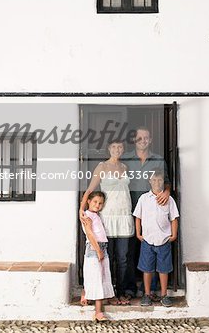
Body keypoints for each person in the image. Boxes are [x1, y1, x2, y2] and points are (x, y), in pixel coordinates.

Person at [79, 139, 134, 305]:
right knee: (105, 257)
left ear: (123, 149)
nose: (117, 149)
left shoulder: (125, 167)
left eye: (120, 146)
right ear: (109, 148)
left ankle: (121, 292)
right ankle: (107, 293)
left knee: (123, 257)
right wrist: (82, 209)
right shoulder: (102, 167)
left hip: (124, 216)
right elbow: (90, 190)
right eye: (114, 146)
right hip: (107, 218)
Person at [122, 126, 171, 299]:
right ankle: (128, 289)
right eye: (139, 138)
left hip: (153, 213)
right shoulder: (125, 158)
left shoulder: (158, 160)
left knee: (154, 247)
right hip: (128, 209)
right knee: (129, 250)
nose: (143, 141)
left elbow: (166, 182)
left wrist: (166, 192)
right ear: (134, 140)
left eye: (146, 138)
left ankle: (150, 289)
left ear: (150, 140)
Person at [133, 168, 179, 307]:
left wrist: (174, 234)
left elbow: (174, 218)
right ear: (149, 181)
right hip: (147, 240)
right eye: (154, 180)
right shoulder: (143, 199)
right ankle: (146, 294)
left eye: (159, 180)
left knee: (163, 269)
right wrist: (138, 233)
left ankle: (164, 295)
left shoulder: (169, 199)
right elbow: (138, 217)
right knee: (147, 269)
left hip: (164, 240)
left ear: (163, 182)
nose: (157, 182)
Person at [82, 191, 115, 321]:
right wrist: (98, 251)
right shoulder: (87, 216)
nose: (98, 205)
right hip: (94, 248)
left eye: (100, 203)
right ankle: (98, 312)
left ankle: (87, 294)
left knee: (101, 275)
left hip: (102, 248)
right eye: (95, 202)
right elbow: (90, 234)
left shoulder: (96, 215)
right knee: (96, 278)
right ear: (88, 201)